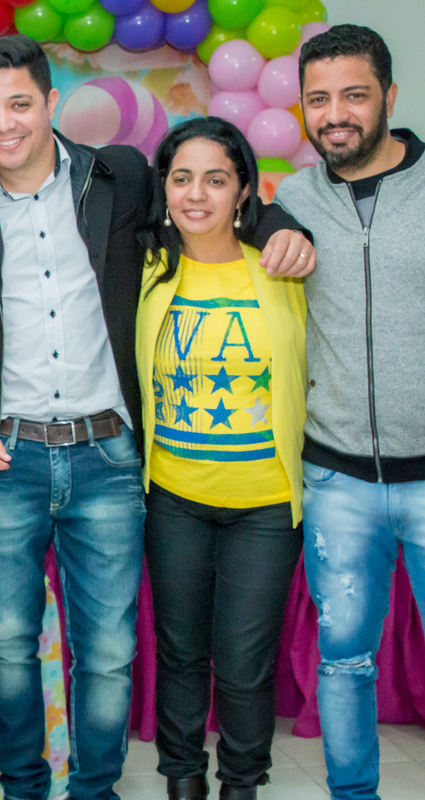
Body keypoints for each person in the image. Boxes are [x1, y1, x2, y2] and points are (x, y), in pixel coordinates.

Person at [0, 35, 315, 800]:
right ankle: (25, 786)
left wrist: (276, 230)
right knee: (6, 643)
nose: (3, 123)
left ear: (50, 103)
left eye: (18, 104)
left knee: (106, 650)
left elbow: (215, 206)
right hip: (4, 457)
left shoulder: (123, 176)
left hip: (109, 456)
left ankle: (95, 788)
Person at [273, 24, 425, 800]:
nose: (336, 114)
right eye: (319, 99)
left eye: (354, 95)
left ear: (390, 99)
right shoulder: (296, 196)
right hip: (336, 478)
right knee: (345, 661)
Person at [136, 117, 307, 800]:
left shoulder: (283, 267)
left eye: (216, 178)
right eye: (182, 178)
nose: (196, 194)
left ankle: (241, 781)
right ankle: (182, 778)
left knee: (244, 662)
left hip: (265, 504)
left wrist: (286, 224)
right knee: (180, 653)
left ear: (243, 191)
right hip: (173, 497)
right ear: (164, 188)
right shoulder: (145, 269)